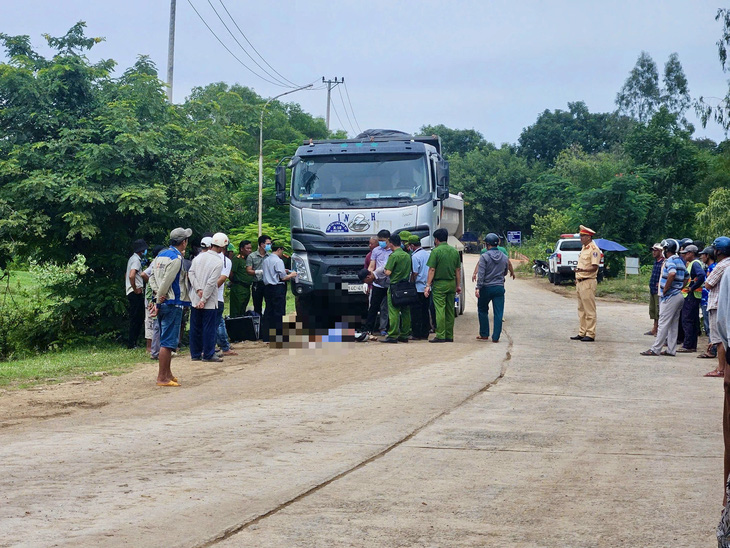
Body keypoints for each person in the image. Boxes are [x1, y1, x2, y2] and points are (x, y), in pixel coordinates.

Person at [149, 227, 192, 386]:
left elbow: (151, 276)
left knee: (165, 338)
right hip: (171, 302)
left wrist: (156, 294)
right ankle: (162, 377)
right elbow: (167, 281)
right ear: (184, 242)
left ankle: (168, 373)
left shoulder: (161, 255)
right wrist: (160, 300)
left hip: (162, 300)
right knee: (167, 342)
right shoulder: (177, 259)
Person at [641, 239, 687, 357]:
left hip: (670, 296)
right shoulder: (680, 261)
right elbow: (687, 276)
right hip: (678, 295)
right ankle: (671, 349)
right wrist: (680, 287)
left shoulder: (670, 260)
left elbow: (672, 273)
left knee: (663, 322)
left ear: (667, 250)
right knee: (673, 324)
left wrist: (666, 288)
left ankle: (655, 349)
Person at [188, 234, 225, 363]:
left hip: (195, 298)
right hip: (208, 301)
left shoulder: (198, 257)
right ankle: (208, 354)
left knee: (195, 326)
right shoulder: (218, 262)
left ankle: (195, 353)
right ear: (221, 246)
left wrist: (198, 289)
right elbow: (211, 283)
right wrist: (204, 299)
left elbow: (191, 273)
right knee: (209, 327)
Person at [424, 228, 461, 343]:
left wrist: (427, 285)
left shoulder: (436, 252)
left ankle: (440, 335)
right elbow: (457, 271)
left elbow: (432, 269)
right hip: (451, 284)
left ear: (436, 239)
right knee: (450, 310)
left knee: (440, 309)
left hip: (440, 284)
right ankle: (449, 335)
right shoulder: (454, 251)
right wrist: (458, 285)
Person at [474, 232, 511, 343]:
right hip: (499, 288)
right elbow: (505, 272)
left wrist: (478, 287)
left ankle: (484, 334)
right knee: (498, 313)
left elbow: (481, 274)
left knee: (482, 309)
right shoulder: (504, 257)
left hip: (485, 288)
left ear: (487, 245)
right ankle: (496, 337)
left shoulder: (484, 257)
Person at [570, 225, 601, 342]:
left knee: (589, 310)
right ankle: (582, 332)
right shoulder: (584, 248)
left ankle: (591, 333)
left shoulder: (594, 250)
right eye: (581, 236)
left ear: (589, 237)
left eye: (583, 236)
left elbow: (594, 267)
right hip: (580, 281)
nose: (581, 238)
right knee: (581, 309)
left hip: (588, 281)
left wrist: (582, 271)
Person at [261, 243, 297, 342]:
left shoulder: (266, 260)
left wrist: (283, 271)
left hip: (267, 288)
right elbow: (283, 277)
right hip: (277, 288)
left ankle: (267, 336)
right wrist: (292, 274)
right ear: (279, 249)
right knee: (279, 311)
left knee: (269, 311)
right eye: (282, 250)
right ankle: (279, 336)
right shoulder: (278, 260)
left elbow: (271, 272)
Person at [704, 237, 730, 377]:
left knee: (719, 339)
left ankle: (721, 368)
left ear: (719, 251)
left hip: (717, 305)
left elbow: (708, 284)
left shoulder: (721, 265)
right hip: (726, 304)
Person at [381, 233, 412, 343]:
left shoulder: (393, 256)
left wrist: (384, 270)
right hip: (406, 286)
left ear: (391, 243)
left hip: (395, 287)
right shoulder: (407, 255)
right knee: (405, 311)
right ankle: (405, 334)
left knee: (394, 311)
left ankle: (393, 335)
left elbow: (388, 272)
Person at [211, 233, 237, 357]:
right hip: (216, 297)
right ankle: (224, 347)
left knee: (212, 323)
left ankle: (212, 347)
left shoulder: (203, 257)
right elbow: (221, 280)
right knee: (218, 323)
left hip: (204, 296)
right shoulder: (225, 261)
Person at [677, 245, 705, 353]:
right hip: (693, 296)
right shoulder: (693, 264)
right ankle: (692, 345)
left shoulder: (695, 263)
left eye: (687, 253)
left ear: (692, 253)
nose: (684, 255)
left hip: (691, 296)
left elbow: (701, 275)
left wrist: (692, 288)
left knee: (687, 320)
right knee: (692, 321)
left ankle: (688, 345)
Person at [365, 230, 392, 339]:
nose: (381, 242)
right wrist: (369, 277)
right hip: (378, 283)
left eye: (383, 241)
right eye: (379, 240)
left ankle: (384, 328)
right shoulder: (376, 251)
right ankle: (368, 329)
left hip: (389, 283)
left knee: (386, 308)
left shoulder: (393, 250)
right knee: (373, 307)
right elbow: (372, 265)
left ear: (388, 240)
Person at [125, 239, 148, 349]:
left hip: (130, 291)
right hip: (135, 292)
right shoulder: (136, 260)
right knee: (137, 318)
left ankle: (133, 342)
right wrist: (135, 288)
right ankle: (132, 343)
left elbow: (126, 274)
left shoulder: (132, 258)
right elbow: (131, 275)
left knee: (136, 317)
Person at [408, 234, 431, 340]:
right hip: (427, 287)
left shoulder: (415, 257)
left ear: (412, 245)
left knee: (416, 312)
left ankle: (417, 333)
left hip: (418, 288)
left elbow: (415, 273)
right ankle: (425, 332)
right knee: (425, 311)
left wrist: (410, 283)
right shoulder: (427, 254)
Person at [699, 247, 718, 361]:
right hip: (706, 300)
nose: (701, 257)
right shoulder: (709, 267)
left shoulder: (713, 268)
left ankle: (712, 350)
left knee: (711, 327)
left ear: (708, 256)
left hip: (709, 301)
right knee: (708, 326)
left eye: (703, 255)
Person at [246, 234, 271, 315]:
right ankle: (259, 324)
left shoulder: (270, 256)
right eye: (267, 244)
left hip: (268, 284)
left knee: (270, 305)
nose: (269, 246)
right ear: (261, 244)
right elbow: (248, 270)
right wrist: (258, 272)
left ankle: (267, 324)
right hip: (257, 284)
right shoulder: (252, 256)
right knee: (257, 306)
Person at [229, 240, 253, 317]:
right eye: (247, 248)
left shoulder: (249, 259)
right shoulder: (237, 259)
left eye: (250, 248)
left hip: (247, 288)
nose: (249, 250)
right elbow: (231, 273)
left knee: (243, 310)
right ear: (242, 249)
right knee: (236, 310)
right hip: (239, 287)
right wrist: (235, 282)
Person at [645, 243, 664, 337]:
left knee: (658, 310)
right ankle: (654, 328)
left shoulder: (663, 262)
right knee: (653, 310)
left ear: (661, 251)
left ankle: (657, 329)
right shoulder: (656, 262)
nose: (653, 252)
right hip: (653, 288)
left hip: (658, 290)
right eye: (653, 250)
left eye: (656, 250)